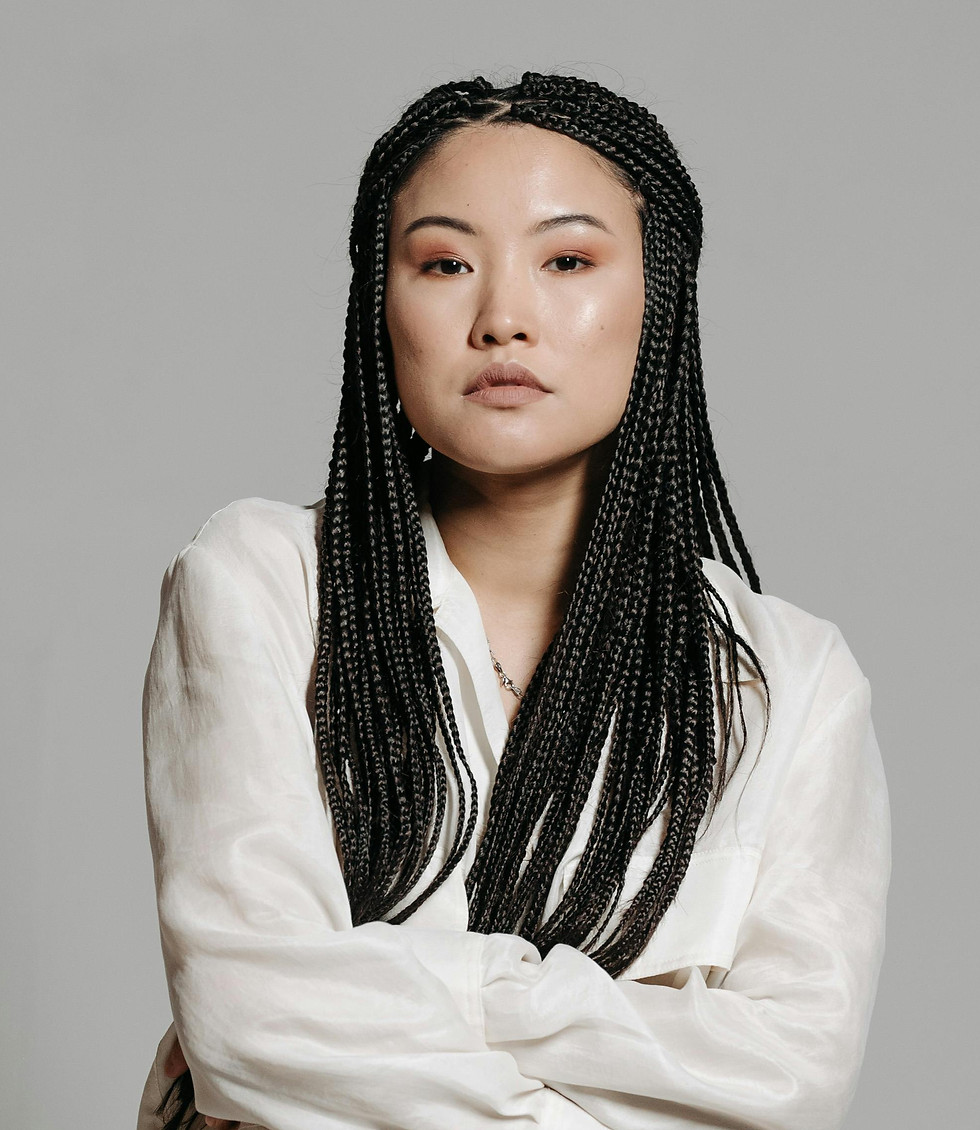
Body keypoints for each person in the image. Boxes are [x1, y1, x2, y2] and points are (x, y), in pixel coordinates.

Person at [136, 72, 891, 1130]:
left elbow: (789, 1077)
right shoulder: (260, 581)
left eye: (567, 260)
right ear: (378, 304)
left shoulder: (787, 680)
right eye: (443, 263)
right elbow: (252, 1022)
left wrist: (445, 988)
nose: (501, 317)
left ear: (657, 295)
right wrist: (611, 1043)